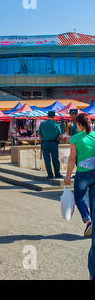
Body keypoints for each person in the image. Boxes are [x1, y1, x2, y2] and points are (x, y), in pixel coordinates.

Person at [64, 113, 95, 279]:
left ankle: (87, 220)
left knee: (78, 197)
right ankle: (92, 222)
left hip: (83, 174)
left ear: (79, 124)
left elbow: (71, 159)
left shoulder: (75, 138)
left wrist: (68, 176)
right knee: (94, 200)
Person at [38, 111, 64, 179]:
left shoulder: (42, 124)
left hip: (45, 143)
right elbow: (60, 136)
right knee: (55, 159)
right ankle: (57, 174)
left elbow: (40, 135)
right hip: (53, 143)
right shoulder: (56, 125)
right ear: (54, 116)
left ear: (47, 116)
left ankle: (50, 175)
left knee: (47, 160)